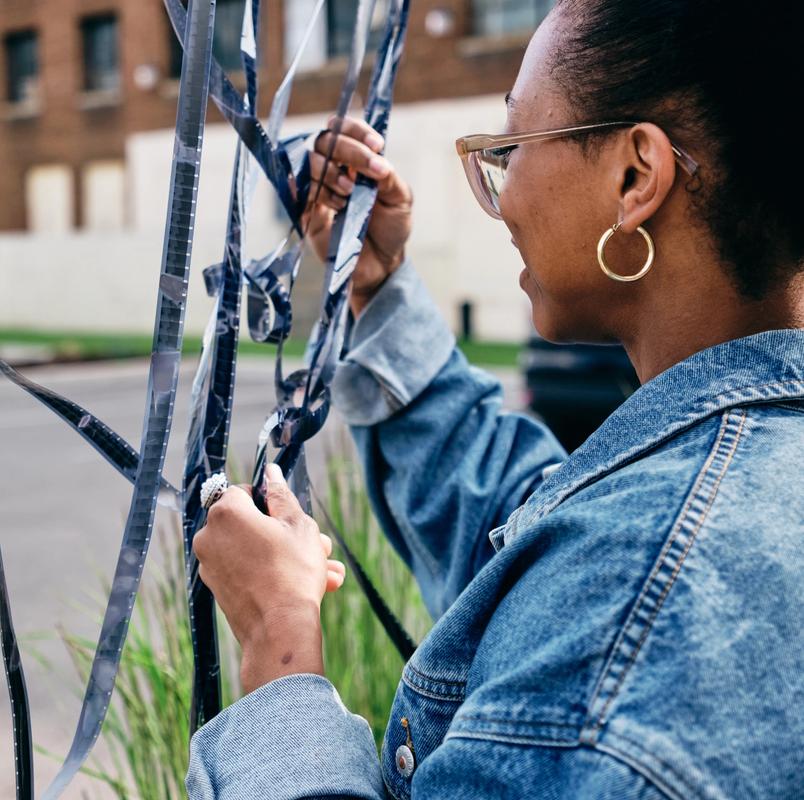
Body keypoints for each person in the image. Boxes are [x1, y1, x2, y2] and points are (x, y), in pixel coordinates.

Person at [185, 1, 804, 797]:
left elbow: (603, 603)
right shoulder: (723, 481)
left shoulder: (626, 639)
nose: (501, 197)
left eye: (511, 147)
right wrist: (375, 289)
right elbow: (527, 545)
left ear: (635, 175)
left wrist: (280, 646)